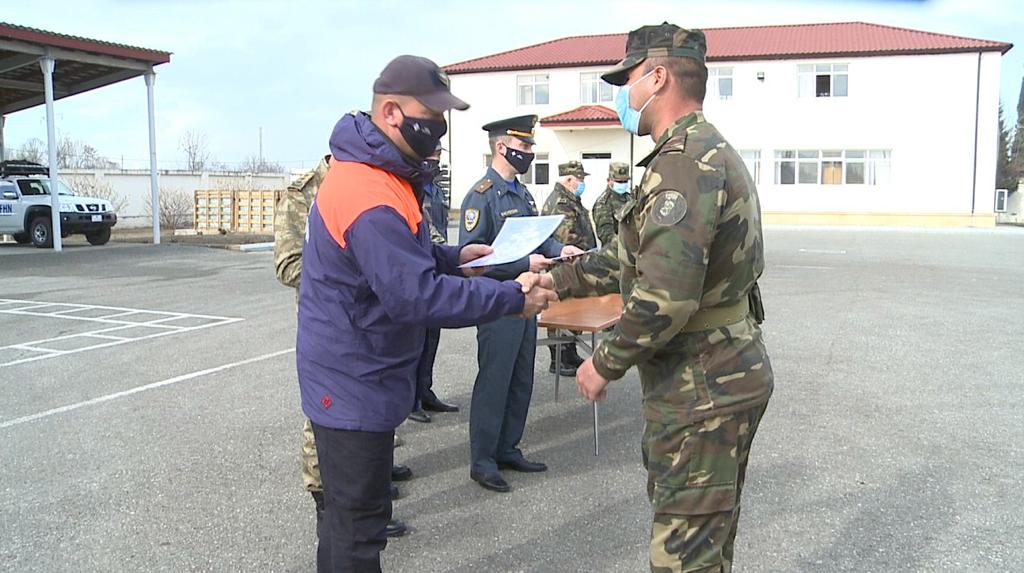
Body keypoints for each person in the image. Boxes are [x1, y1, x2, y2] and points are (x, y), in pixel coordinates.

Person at [296, 56, 557, 572]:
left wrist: (454, 258)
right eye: (432, 113)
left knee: (354, 522)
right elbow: (415, 296)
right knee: (357, 531)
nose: (440, 126)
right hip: (351, 382)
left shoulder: (383, 174)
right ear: (391, 113)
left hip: (363, 376)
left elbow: (400, 256)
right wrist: (512, 297)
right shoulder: (367, 190)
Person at [544, 23, 773, 573]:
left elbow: (665, 296)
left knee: (684, 558)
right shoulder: (695, 152)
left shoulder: (683, 165)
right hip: (716, 376)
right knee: (705, 545)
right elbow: (628, 257)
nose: (622, 95)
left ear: (658, 77)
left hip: (703, 387)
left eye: (627, 80)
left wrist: (604, 362)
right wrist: (554, 281)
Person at [273, 156, 411, 539]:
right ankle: (328, 502)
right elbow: (287, 265)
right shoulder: (303, 195)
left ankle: (371, 492)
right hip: (329, 328)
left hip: (369, 326)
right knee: (325, 422)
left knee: (370, 411)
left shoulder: (372, 185)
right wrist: (353, 272)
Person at [459, 115, 584, 493]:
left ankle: (508, 448)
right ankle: (483, 461)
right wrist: (522, 264)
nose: (529, 152)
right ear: (502, 147)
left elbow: (537, 239)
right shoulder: (481, 196)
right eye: (524, 146)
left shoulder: (523, 194)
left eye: (530, 146)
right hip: (497, 303)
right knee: (494, 381)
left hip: (527, 301)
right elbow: (472, 261)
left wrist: (561, 249)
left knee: (520, 378)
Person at [407, 144, 460, 424]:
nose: (436, 158)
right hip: (418, 273)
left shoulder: (435, 187)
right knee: (414, 342)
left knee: (431, 338)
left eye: (439, 154)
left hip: (436, 268)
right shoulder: (408, 185)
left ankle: (425, 391)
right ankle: (410, 400)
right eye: (432, 153)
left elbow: (438, 230)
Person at [540, 160, 597, 376]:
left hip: (577, 266)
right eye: (579, 179)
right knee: (560, 314)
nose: (582, 183)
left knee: (573, 313)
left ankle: (570, 351)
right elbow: (567, 238)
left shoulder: (572, 200)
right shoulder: (561, 203)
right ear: (569, 179)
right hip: (565, 268)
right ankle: (559, 358)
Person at [592, 162, 632, 246]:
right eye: (619, 181)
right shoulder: (603, 203)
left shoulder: (630, 198)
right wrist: (624, 245)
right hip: (615, 249)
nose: (622, 184)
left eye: (625, 181)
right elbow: (605, 234)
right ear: (609, 180)